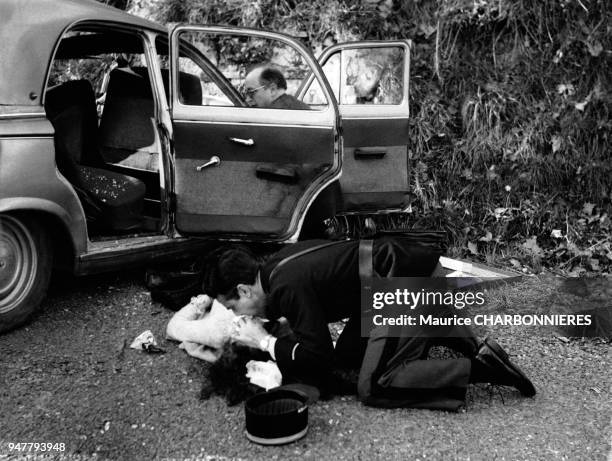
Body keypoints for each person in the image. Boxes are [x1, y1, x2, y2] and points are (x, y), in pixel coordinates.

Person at [202, 238, 536, 408]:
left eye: (234, 307)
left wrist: (263, 341)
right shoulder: (277, 266)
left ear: (245, 289)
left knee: (374, 385)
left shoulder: (286, 285)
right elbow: (318, 334)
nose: (238, 316)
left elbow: (318, 356)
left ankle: (480, 368)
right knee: (349, 359)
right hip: (393, 282)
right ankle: (445, 330)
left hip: (403, 287)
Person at [242, 66, 310, 110]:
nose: (247, 99)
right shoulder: (296, 106)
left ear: (272, 90)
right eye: (245, 94)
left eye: (251, 93)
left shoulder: (275, 113)